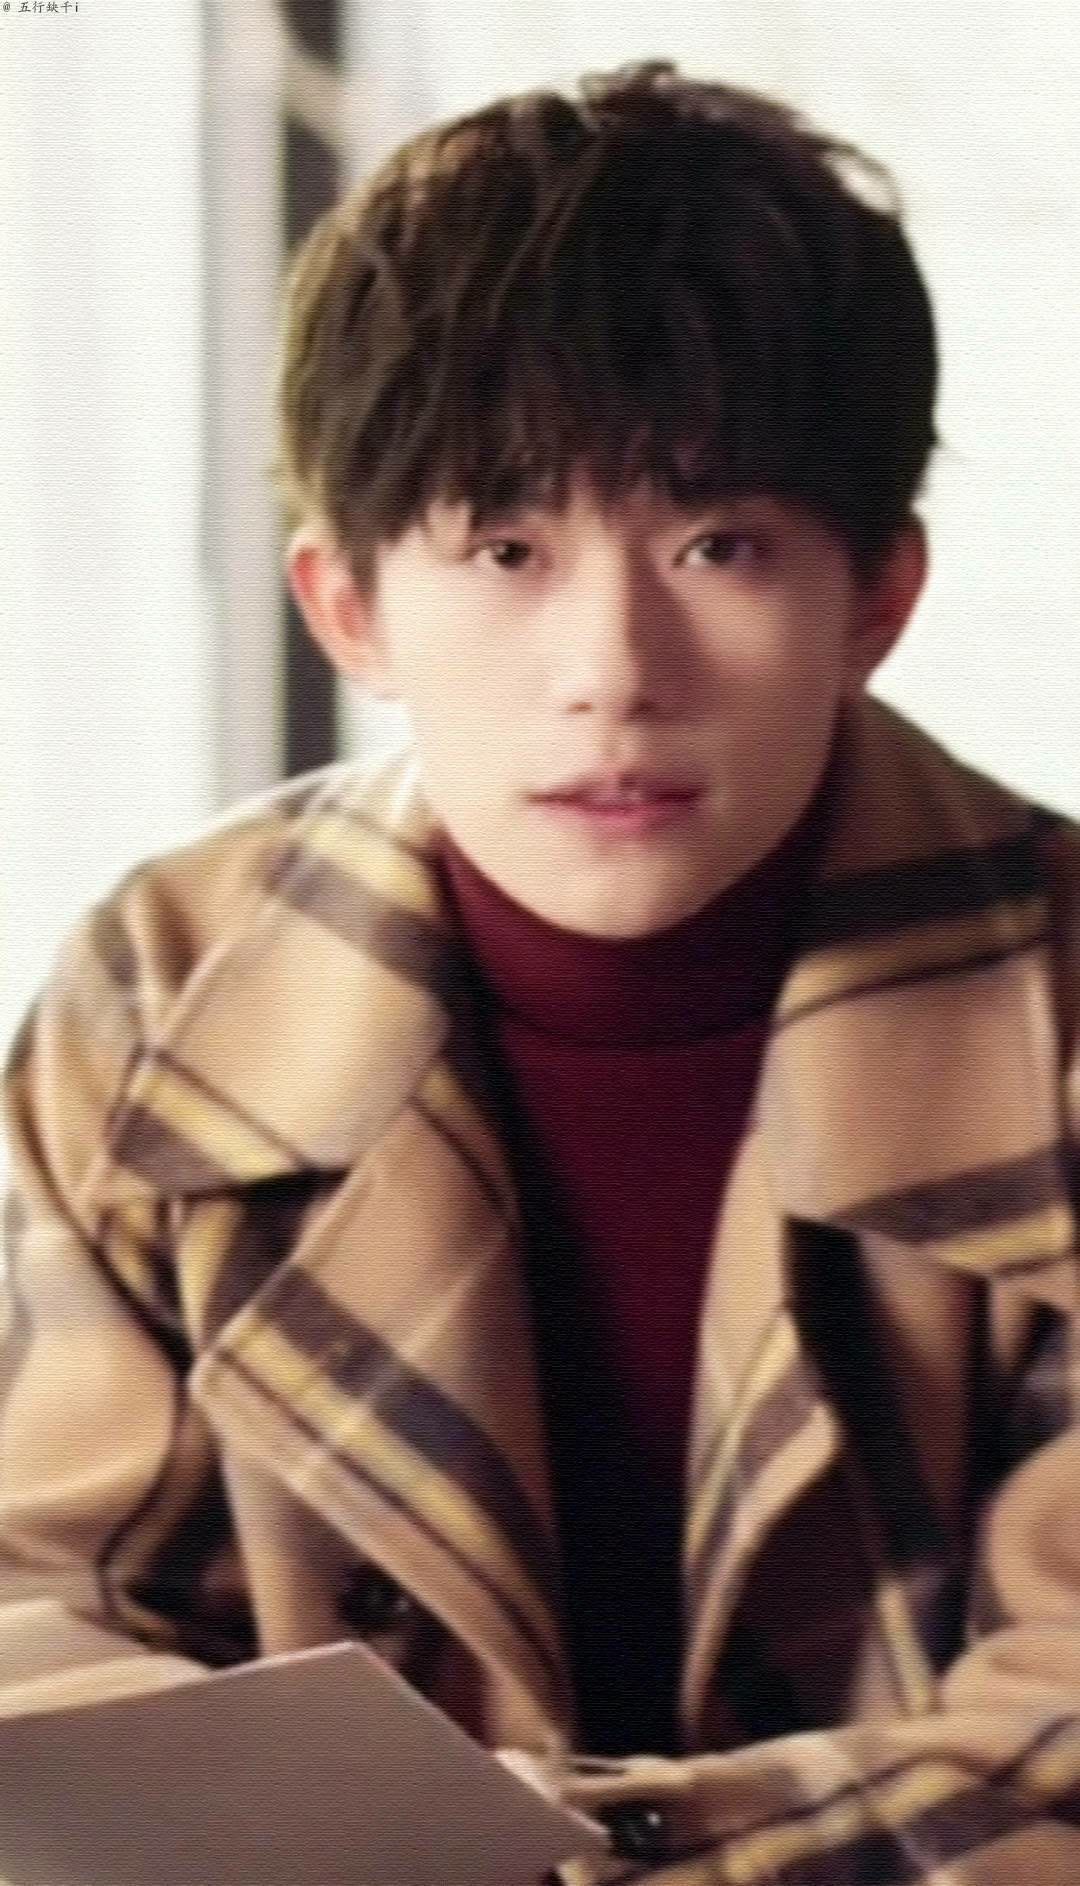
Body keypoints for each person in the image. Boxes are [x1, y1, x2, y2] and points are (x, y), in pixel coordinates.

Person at [4, 57, 1080, 1883]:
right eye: (506, 546)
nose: (612, 667)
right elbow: (38, 1616)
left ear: (878, 599)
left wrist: (578, 1851)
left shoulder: (1057, 1003)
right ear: (350, 605)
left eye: (719, 543)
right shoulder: (165, 984)